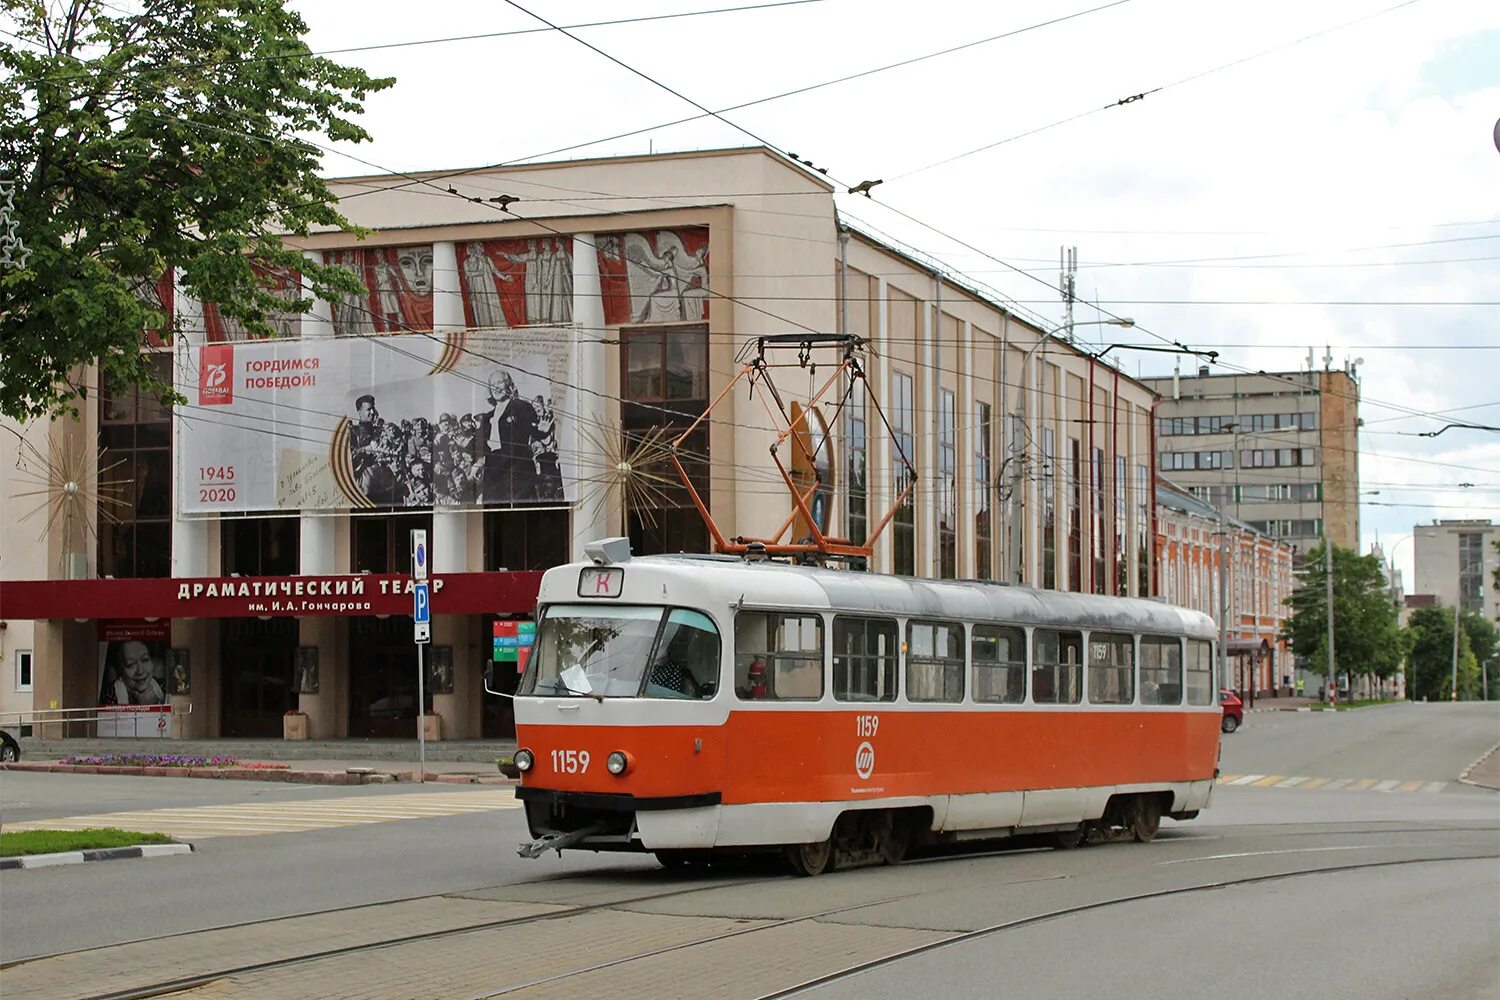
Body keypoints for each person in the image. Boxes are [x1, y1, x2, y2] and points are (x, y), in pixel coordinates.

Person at [476, 370, 539, 504]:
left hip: (517, 470)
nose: (496, 387)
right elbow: (482, 446)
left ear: (509, 385)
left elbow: (532, 434)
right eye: (492, 384)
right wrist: (479, 462)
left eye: (500, 382)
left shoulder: (522, 407)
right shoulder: (487, 418)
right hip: (493, 472)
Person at [101, 641, 166, 705]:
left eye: (145, 660)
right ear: (120, 670)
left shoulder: (164, 686)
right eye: (130, 665)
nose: (140, 671)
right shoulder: (109, 695)